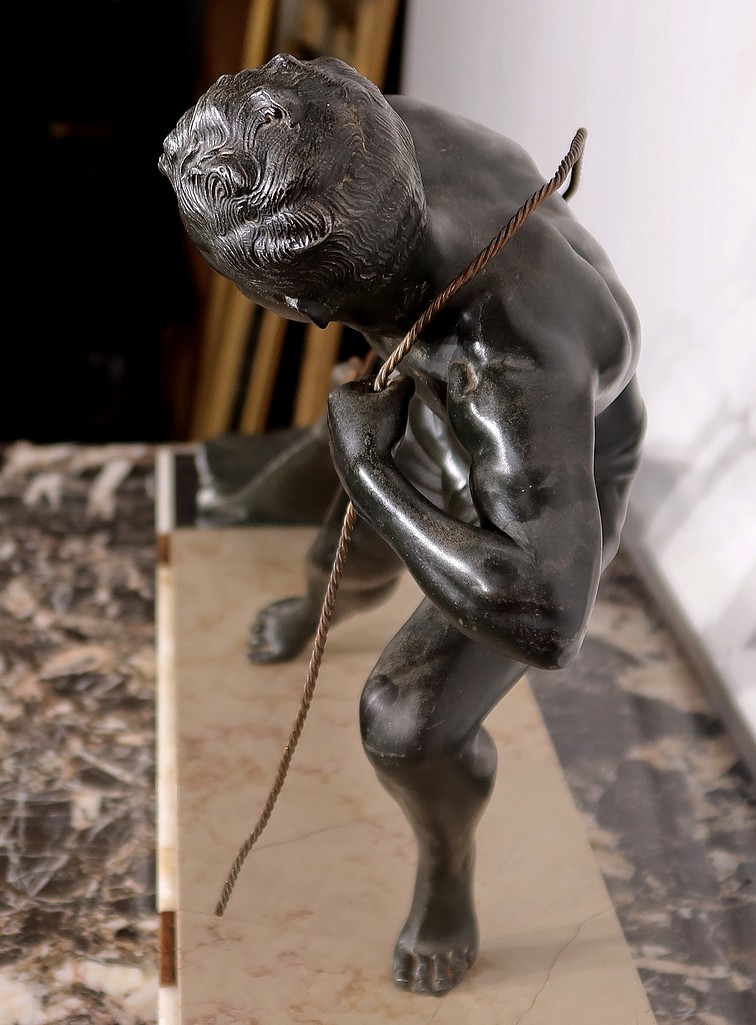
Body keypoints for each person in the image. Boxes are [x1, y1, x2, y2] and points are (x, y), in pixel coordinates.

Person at [159, 53, 646, 996]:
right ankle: (321, 592)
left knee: (404, 723)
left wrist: (371, 476)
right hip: (444, 395)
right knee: (339, 559)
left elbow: (550, 619)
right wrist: (374, 474)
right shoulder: (358, 139)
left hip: (563, 467)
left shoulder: (507, 364)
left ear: (299, 307)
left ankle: (447, 869)